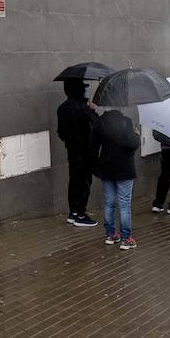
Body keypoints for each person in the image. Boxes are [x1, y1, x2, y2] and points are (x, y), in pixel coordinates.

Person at [92, 106, 140, 249]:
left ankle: (111, 235)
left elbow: (93, 147)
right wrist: (136, 134)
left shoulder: (100, 123)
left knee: (109, 203)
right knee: (124, 204)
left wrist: (97, 165)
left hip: (107, 168)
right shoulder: (126, 122)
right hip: (124, 169)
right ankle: (126, 239)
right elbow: (132, 144)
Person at [56, 80, 99, 227]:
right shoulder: (83, 108)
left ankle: (73, 212)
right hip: (86, 150)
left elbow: (60, 133)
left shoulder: (62, 108)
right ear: (78, 90)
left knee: (74, 180)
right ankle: (81, 214)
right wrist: (92, 110)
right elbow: (96, 124)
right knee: (84, 182)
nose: (86, 91)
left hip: (72, 150)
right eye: (84, 88)